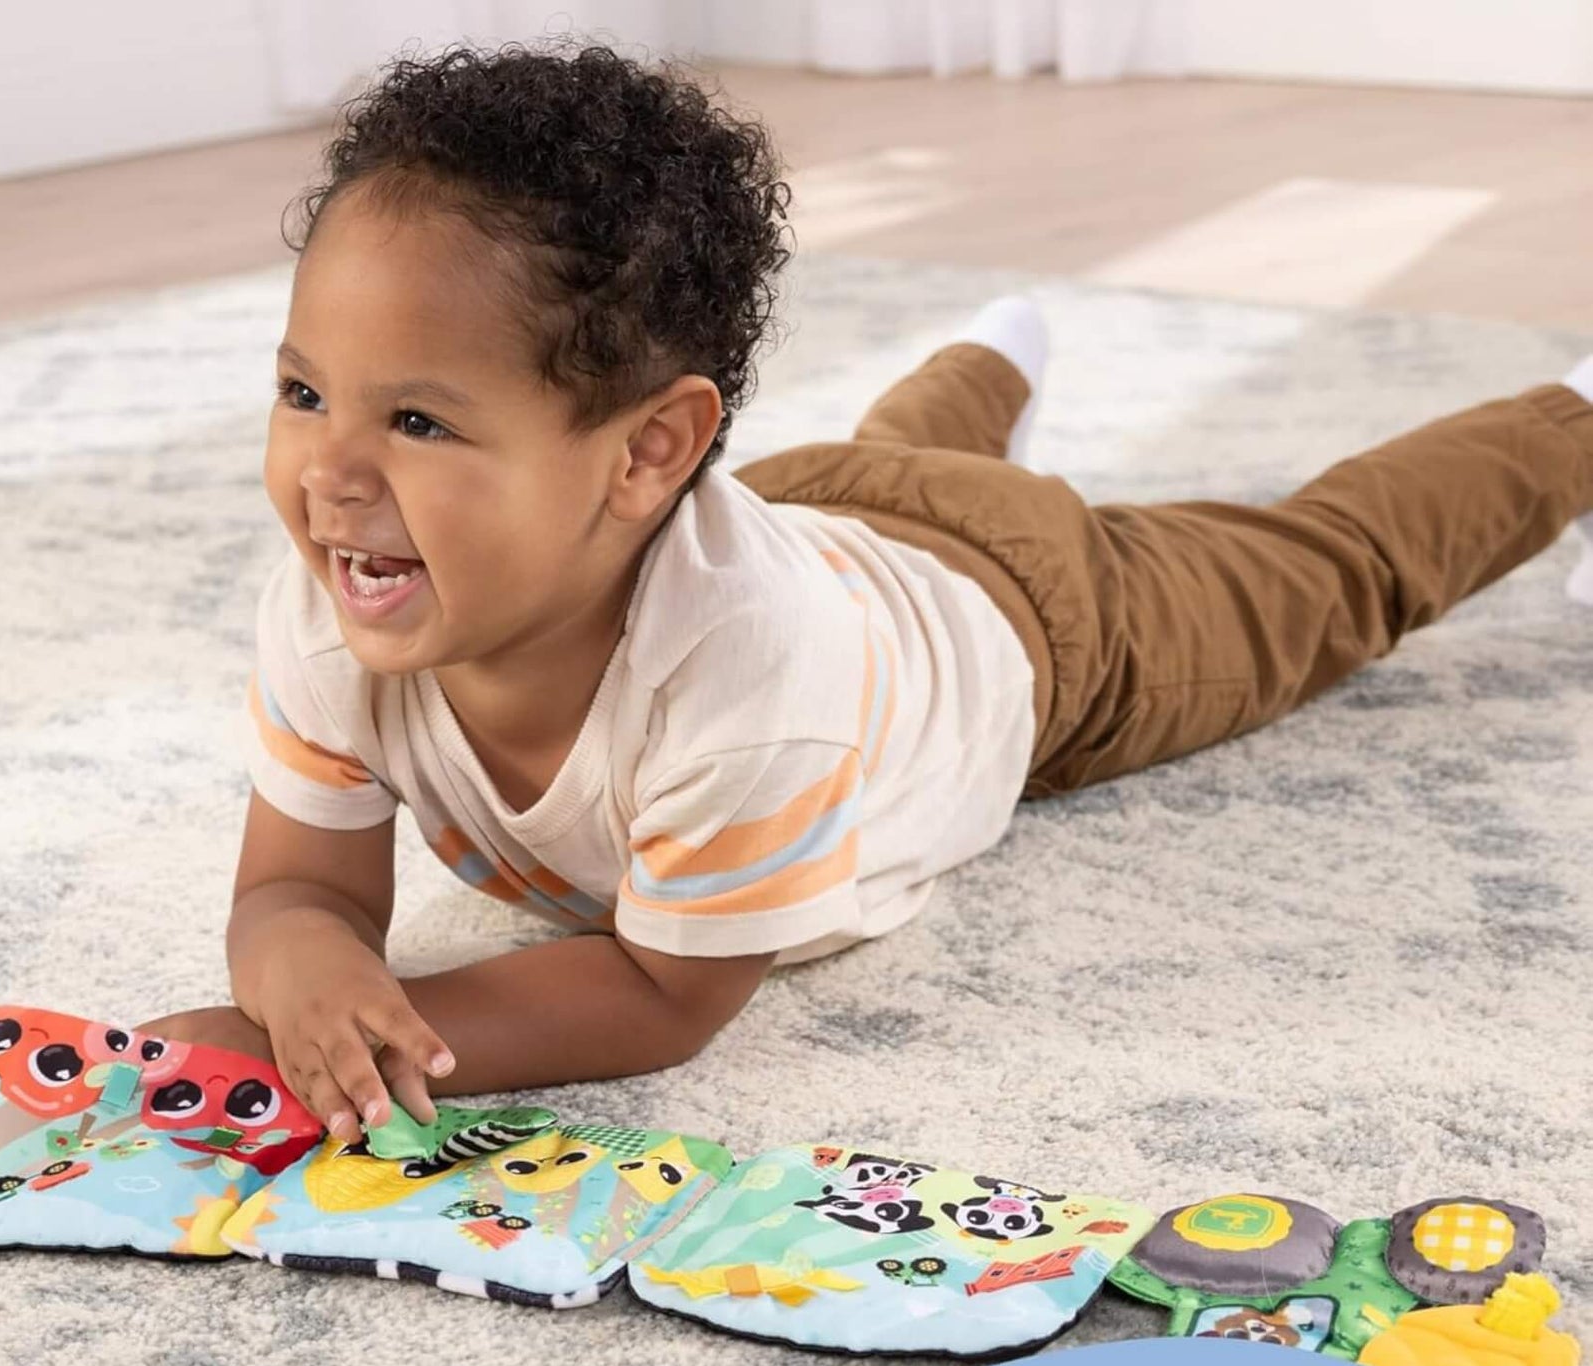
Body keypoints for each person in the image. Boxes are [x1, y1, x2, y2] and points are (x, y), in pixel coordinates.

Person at [141, 43, 1593, 1143]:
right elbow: (293, 884)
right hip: (817, 513)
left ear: (647, 452)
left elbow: (661, 992)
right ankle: (994, 355)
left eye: (414, 421)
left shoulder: (741, 681)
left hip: (1032, 617)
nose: (326, 472)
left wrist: (352, 1043)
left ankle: (1567, 421)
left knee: (1327, 572)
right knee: (884, 461)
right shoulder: (350, 593)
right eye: (301, 389)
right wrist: (300, 961)